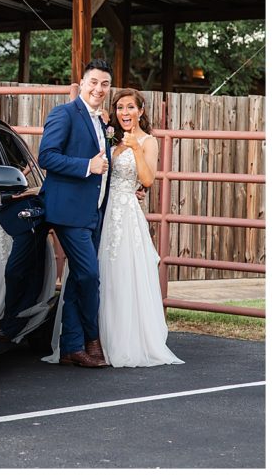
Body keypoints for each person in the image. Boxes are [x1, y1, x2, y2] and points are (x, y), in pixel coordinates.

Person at [97, 88, 184, 367]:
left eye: (131, 107)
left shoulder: (148, 141)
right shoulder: (108, 137)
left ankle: (125, 340)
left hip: (126, 214)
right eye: (120, 107)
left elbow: (147, 180)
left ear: (141, 111)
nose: (125, 113)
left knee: (125, 272)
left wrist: (134, 147)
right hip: (102, 211)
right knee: (101, 272)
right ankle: (98, 338)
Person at [38, 59, 113, 367]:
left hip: (94, 212)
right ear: (82, 83)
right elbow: (47, 156)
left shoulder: (100, 122)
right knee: (89, 275)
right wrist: (87, 167)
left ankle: (71, 346)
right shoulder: (64, 113)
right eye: (93, 82)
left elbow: (105, 165)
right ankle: (92, 342)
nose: (99, 89)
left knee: (76, 280)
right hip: (68, 213)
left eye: (105, 84)